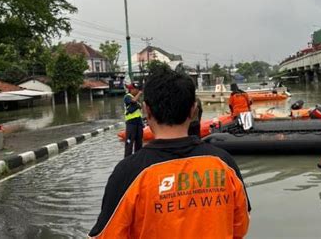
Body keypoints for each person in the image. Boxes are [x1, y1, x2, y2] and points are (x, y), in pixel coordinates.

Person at [89, 69, 250, 239]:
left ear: (146, 110)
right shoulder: (224, 163)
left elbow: (106, 235)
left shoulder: (128, 172)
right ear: (193, 110)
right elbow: (240, 226)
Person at [124, 82, 143, 157]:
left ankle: (137, 157)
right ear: (131, 89)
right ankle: (127, 159)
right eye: (136, 89)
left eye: (138, 89)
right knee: (129, 142)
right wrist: (140, 93)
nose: (138, 91)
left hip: (138, 123)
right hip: (131, 123)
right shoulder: (127, 96)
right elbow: (133, 101)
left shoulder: (137, 100)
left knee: (139, 142)